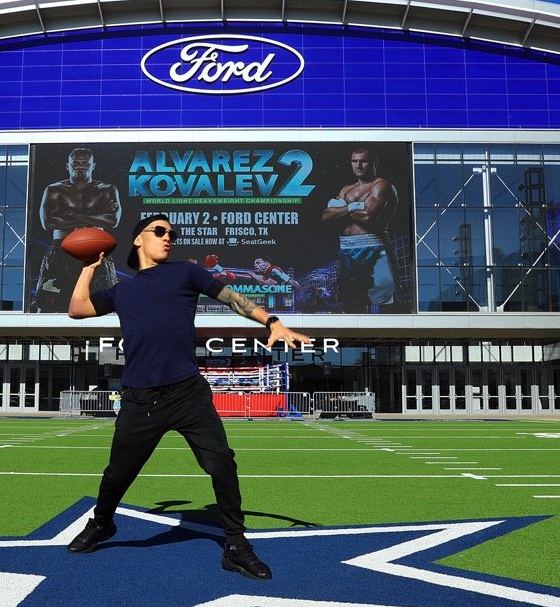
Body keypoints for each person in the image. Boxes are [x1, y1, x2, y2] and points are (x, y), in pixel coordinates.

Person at [66, 214, 313, 580]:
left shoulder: (186, 272)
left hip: (187, 392)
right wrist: (89, 266)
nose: (169, 238)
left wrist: (272, 321)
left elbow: (233, 299)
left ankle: (235, 544)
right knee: (118, 474)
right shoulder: (123, 290)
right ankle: (102, 523)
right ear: (138, 240)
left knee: (221, 463)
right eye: (160, 231)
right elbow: (77, 309)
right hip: (140, 398)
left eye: (173, 234)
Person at [31, 148, 122, 312]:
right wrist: (93, 217)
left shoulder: (107, 189)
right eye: (76, 164)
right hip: (61, 251)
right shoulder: (54, 190)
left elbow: (113, 220)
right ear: (68, 166)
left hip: (96, 252)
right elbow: (48, 223)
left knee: (106, 303)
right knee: (46, 306)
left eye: (85, 163)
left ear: (93, 165)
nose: (80, 167)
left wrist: (70, 214)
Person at [321, 147, 399, 313]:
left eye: (363, 161)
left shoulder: (381, 185)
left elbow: (368, 218)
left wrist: (341, 209)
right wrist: (354, 206)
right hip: (346, 250)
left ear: (373, 163)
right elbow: (326, 216)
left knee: (383, 301)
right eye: (354, 161)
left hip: (373, 248)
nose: (359, 165)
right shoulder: (346, 189)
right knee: (351, 301)